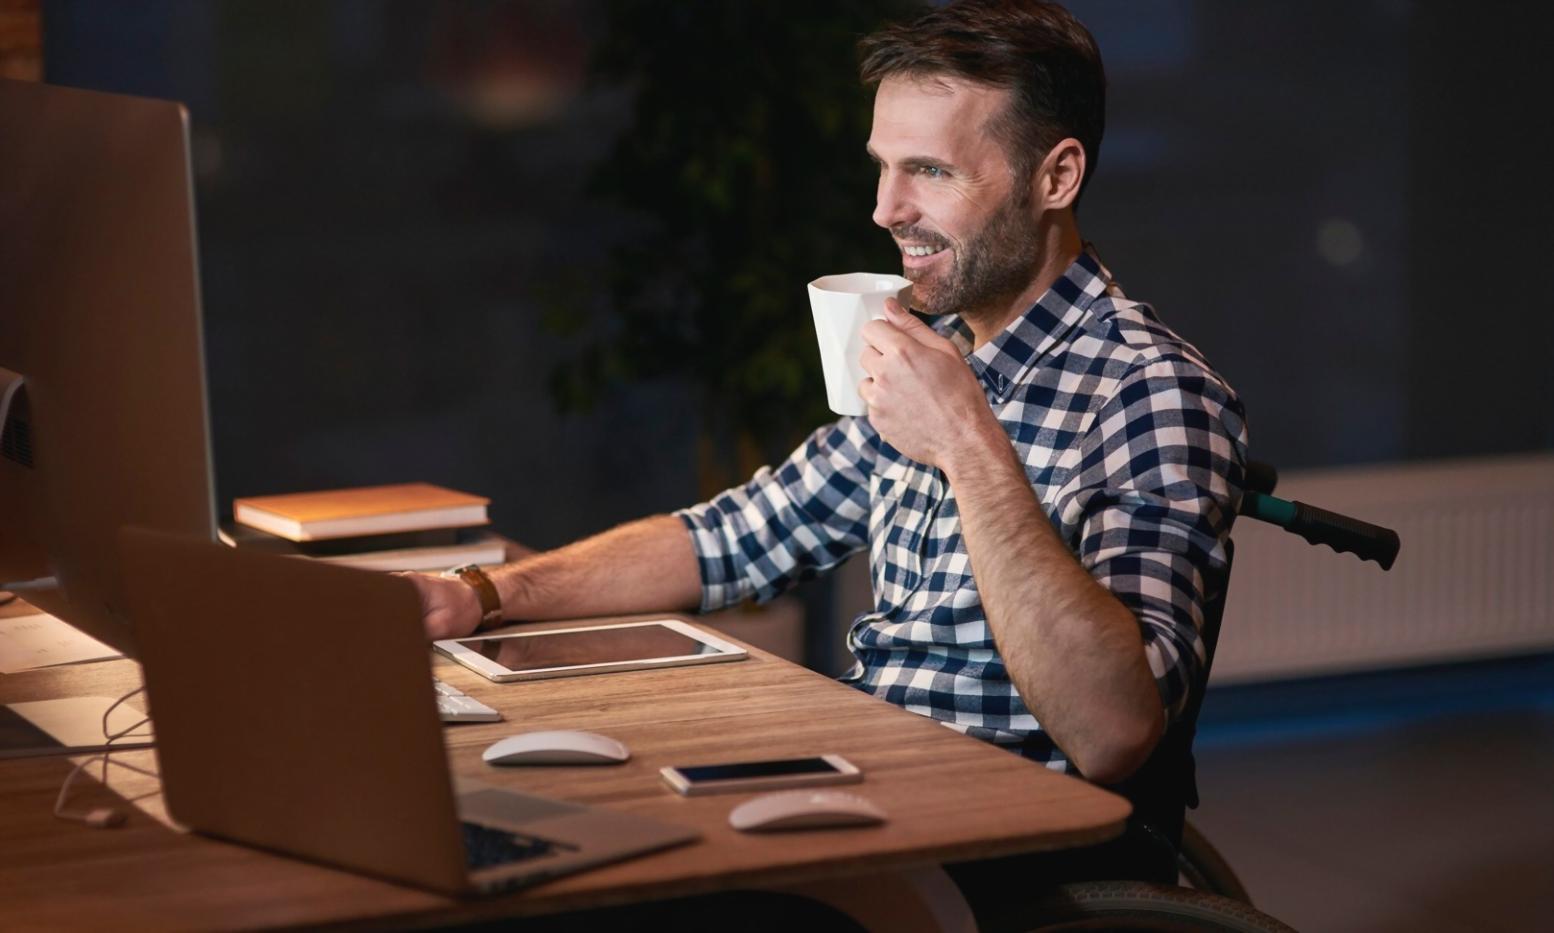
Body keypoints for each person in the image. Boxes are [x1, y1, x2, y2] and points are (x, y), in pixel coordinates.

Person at [410, 0, 1246, 892]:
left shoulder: (1151, 395)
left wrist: (966, 439)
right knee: (555, 844)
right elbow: (731, 538)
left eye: (930, 170)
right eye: (884, 168)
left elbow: (1115, 729)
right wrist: (485, 594)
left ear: (1057, 176)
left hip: (1005, 851)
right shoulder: (940, 345)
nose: (887, 209)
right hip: (873, 787)